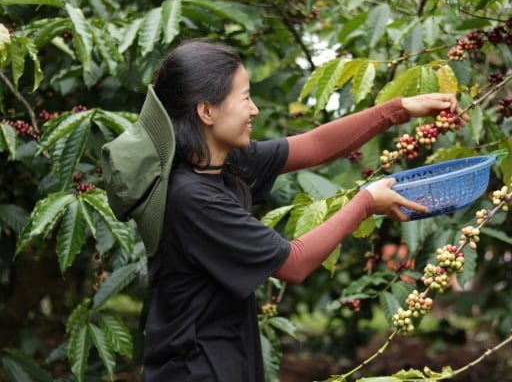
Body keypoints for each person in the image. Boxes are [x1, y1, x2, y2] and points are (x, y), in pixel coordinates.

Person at [102, 39, 460, 381]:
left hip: (222, 357)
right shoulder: (191, 197)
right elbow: (293, 263)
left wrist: (398, 109)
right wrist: (365, 203)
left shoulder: (221, 163)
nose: (254, 109)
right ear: (206, 111)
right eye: (244, 98)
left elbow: (315, 146)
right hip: (196, 368)